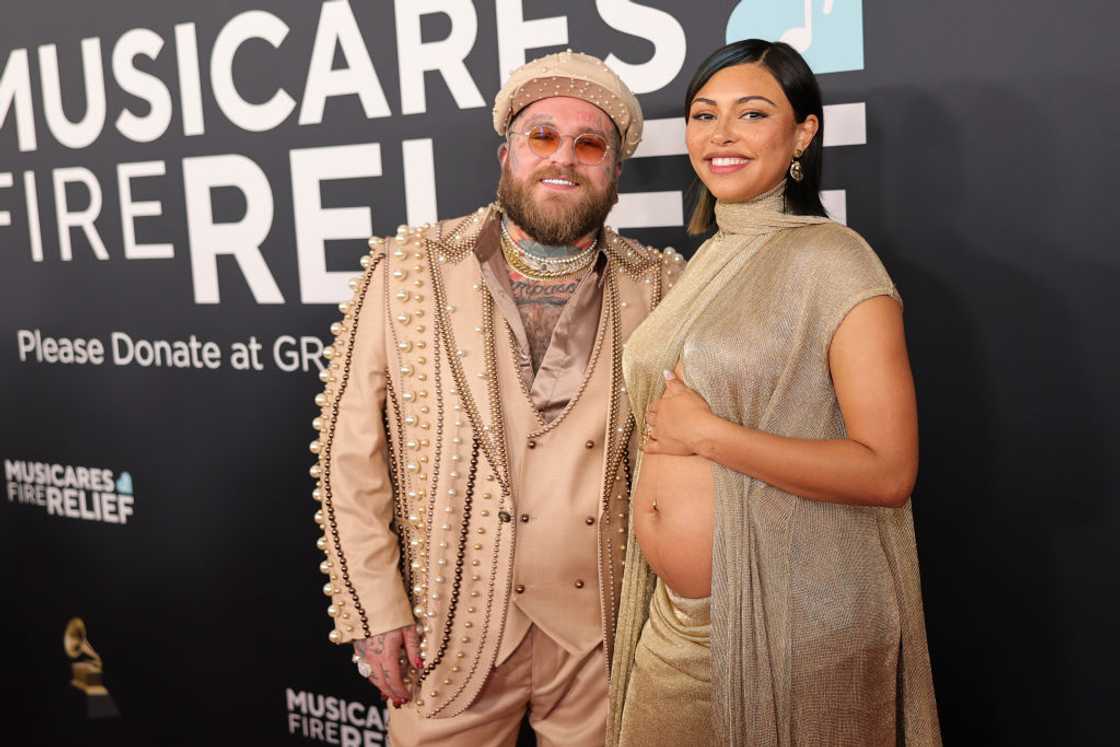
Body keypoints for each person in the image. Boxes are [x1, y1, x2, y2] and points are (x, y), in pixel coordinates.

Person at [308, 50, 682, 746]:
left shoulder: (660, 286)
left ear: (615, 172)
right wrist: (374, 607)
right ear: (507, 152)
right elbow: (348, 453)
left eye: (589, 143)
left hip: (601, 639)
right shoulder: (407, 270)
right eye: (543, 136)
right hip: (449, 636)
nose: (562, 158)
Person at [607, 40, 941, 746]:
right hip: (676, 619)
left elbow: (888, 470)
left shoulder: (836, 260)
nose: (719, 135)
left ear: (802, 132)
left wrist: (712, 436)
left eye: (751, 113)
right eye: (703, 115)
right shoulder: (708, 259)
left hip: (790, 629)